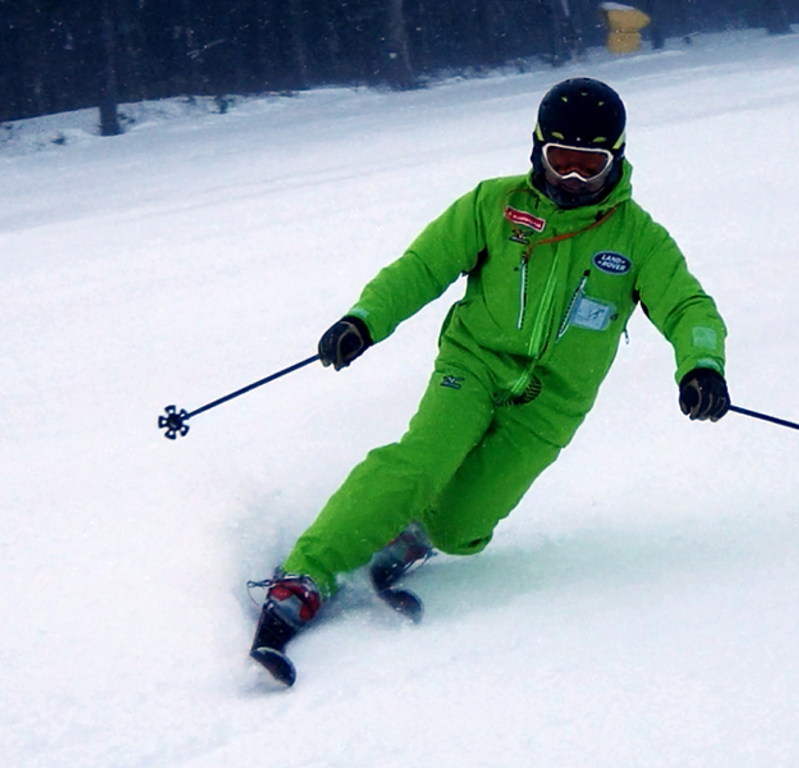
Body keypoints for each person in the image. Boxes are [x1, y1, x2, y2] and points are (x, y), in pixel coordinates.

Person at [249, 77, 730, 685]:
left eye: (591, 166)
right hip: (472, 366)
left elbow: (688, 306)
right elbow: (422, 266)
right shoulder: (493, 205)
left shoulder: (638, 239)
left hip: (554, 401)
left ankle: (409, 538)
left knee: (462, 527)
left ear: (618, 160)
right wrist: (365, 320)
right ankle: (305, 575)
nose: (573, 178)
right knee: (421, 463)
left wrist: (702, 365)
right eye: (561, 160)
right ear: (537, 149)